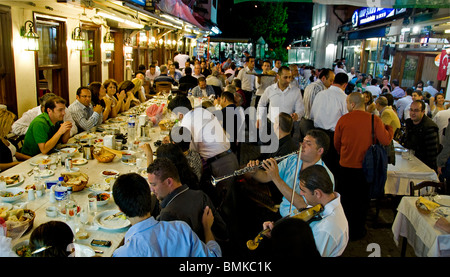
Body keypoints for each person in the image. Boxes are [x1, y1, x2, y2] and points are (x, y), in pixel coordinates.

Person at [112, 173, 221, 257]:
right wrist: (207, 228)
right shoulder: (181, 229)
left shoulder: (123, 253)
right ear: (150, 196)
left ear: (120, 209)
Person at [334, 92, 393, 240]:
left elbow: (337, 143)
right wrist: (390, 129)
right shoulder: (375, 120)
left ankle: (344, 230)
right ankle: (358, 231)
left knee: (346, 200)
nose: (347, 106)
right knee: (362, 201)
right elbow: (385, 141)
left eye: (347, 103)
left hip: (345, 167)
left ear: (352, 104)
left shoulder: (343, 119)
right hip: (366, 169)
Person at [262, 165, 348, 257]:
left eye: (303, 191)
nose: (301, 193)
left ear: (317, 193)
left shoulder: (325, 230)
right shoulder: (325, 202)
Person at [247, 129, 334, 217]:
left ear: (319, 151)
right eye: (303, 141)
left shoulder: (325, 177)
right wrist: (255, 172)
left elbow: (305, 207)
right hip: (283, 213)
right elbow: (266, 177)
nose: (301, 145)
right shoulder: (293, 159)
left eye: (308, 144)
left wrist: (276, 178)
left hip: (302, 221)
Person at [147, 158, 228, 243]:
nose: (152, 190)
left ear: (169, 182)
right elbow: (222, 230)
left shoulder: (167, 215)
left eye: (154, 185)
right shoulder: (200, 195)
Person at [309, 72, 349, 176]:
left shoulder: (321, 94)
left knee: (316, 163)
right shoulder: (344, 98)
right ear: (345, 85)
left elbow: (312, 114)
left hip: (317, 133)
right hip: (332, 137)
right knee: (330, 167)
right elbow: (345, 120)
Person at [256, 66, 305, 149]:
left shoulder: (296, 91)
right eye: (285, 77)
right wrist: (259, 118)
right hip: (271, 125)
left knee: (283, 150)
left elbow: (300, 109)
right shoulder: (270, 89)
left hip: (287, 127)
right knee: (268, 149)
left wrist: (297, 115)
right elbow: (261, 104)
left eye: (290, 77)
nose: (288, 80)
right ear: (278, 77)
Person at [11, 93, 78, 137]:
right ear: (47, 109)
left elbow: (74, 127)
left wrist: (64, 134)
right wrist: (35, 131)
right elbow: (15, 127)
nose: (63, 113)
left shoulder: (62, 109)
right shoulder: (32, 114)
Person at [403, 100, 439, 171]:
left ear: (423, 112)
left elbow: (432, 154)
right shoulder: (409, 123)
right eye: (411, 110)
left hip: (423, 165)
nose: (413, 113)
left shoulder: (429, 127)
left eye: (416, 110)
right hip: (410, 160)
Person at [218, 91, 245, 155]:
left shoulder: (224, 112)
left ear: (224, 99)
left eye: (221, 100)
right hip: (234, 142)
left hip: (226, 146)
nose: (220, 102)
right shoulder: (237, 110)